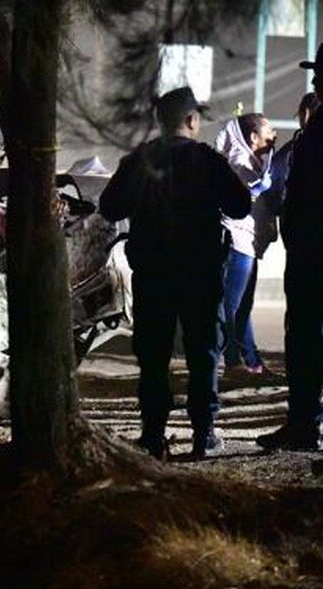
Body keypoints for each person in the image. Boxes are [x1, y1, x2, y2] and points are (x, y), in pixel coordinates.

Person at [99, 86, 250, 459]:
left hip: (153, 274)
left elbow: (110, 207)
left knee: (153, 355)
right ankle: (204, 434)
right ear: (192, 120)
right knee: (203, 353)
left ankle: (153, 434)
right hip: (200, 274)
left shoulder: (140, 161)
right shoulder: (207, 160)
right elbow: (240, 205)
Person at [257, 45, 323, 452]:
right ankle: (303, 423)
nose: (314, 81)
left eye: (320, 74)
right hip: (308, 252)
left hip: (314, 256)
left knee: (305, 340)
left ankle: (304, 425)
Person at [213, 113, 277, 375]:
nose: (274, 135)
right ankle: (233, 360)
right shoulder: (240, 163)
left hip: (246, 243)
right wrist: (257, 189)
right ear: (253, 137)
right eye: (269, 131)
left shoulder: (252, 161)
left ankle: (252, 361)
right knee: (231, 305)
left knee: (243, 306)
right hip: (238, 243)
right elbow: (240, 199)